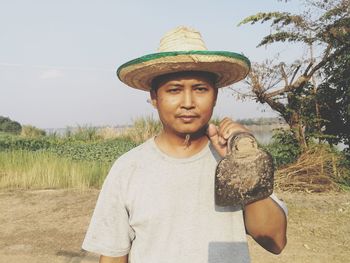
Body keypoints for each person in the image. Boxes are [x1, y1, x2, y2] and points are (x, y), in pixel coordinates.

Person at [82, 26, 287, 263]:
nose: (188, 102)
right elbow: (113, 255)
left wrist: (244, 163)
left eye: (200, 89)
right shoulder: (128, 168)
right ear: (155, 97)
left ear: (215, 96)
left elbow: (275, 240)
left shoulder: (235, 159)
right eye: (174, 90)